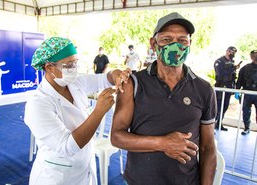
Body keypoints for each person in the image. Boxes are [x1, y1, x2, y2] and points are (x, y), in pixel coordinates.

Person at [111, 12, 217, 185]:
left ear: (190, 44)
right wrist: (163, 143)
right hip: (140, 181)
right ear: (153, 44)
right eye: (167, 40)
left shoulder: (204, 89)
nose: (175, 45)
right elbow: (117, 137)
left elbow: (208, 147)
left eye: (182, 40)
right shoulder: (134, 83)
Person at [24, 37, 130, 185]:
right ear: (49, 68)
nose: (74, 68)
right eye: (69, 65)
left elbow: (104, 79)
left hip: (83, 169)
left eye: (75, 62)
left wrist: (116, 74)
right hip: (57, 177)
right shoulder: (38, 104)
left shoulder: (74, 83)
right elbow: (67, 146)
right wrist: (98, 112)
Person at [214, 46, 241, 131]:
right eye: (231, 52)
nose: (232, 54)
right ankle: (212, 125)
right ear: (227, 51)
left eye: (234, 53)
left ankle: (219, 123)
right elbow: (220, 73)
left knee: (225, 106)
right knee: (218, 106)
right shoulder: (219, 61)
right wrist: (233, 68)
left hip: (229, 87)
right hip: (221, 87)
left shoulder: (232, 62)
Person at [236, 50, 257, 135]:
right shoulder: (245, 68)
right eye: (254, 55)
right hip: (247, 93)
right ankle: (247, 128)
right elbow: (239, 80)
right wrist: (237, 91)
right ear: (251, 57)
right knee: (246, 112)